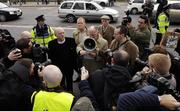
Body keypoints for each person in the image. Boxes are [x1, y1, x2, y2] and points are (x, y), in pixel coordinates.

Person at [48, 27, 78, 92]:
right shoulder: (51, 44)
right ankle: (62, 94)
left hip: (69, 67)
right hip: (58, 68)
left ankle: (70, 94)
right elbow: (51, 57)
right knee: (61, 83)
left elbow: (74, 55)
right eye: (60, 33)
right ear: (55, 35)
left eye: (63, 33)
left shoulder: (71, 41)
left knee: (69, 81)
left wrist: (75, 66)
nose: (62, 35)